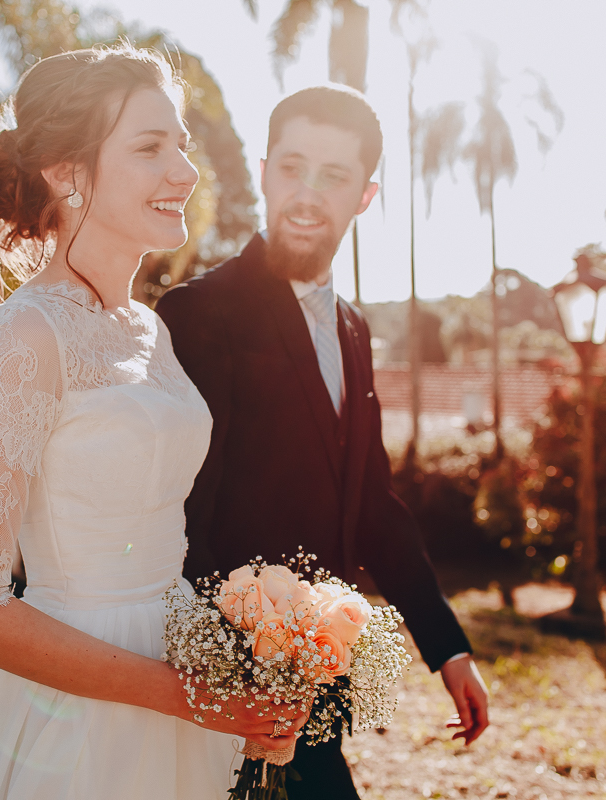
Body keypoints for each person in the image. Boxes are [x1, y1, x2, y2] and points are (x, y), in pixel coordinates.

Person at [0, 45, 304, 800]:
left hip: (186, 692)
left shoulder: (149, 330)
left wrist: (243, 687)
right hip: (75, 730)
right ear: (67, 173)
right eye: (149, 147)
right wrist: (185, 695)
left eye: (182, 147)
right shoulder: (28, 332)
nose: (184, 173)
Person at [156, 84, 491, 800]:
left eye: (334, 176)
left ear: (364, 196)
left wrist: (448, 648)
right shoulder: (195, 313)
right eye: (293, 166)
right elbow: (181, 518)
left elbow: (372, 504)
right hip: (228, 690)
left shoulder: (354, 330)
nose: (308, 193)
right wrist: (229, 671)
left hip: (321, 681)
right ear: (266, 168)